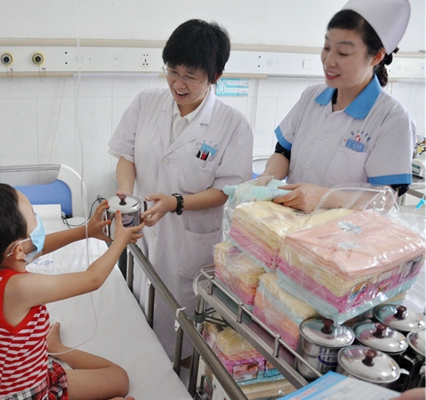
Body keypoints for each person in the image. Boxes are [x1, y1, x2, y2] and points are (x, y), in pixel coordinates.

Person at [107, 19, 253, 358]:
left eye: (191, 76)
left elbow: (228, 190)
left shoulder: (232, 125)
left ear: (215, 77)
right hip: (143, 230)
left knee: (180, 333)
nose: (178, 83)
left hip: (190, 242)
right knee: (137, 316)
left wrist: (176, 202)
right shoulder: (146, 102)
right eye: (172, 71)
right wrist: (126, 194)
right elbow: (126, 156)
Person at [0, 183, 144, 400]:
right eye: (34, 218)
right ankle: (53, 347)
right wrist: (119, 243)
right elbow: (92, 279)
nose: (38, 221)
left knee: (119, 380)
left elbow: (40, 246)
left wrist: (86, 231)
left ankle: (53, 346)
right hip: (21, 396)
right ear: (18, 250)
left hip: (33, 375)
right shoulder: (19, 288)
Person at [262, 0, 416, 213]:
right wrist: (265, 179)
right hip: (289, 225)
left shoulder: (392, 118)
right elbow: (283, 153)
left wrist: (325, 197)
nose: (328, 61)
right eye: (326, 48)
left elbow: (387, 197)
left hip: (346, 237)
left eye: (343, 53)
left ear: (377, 56)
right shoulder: (312, 97)